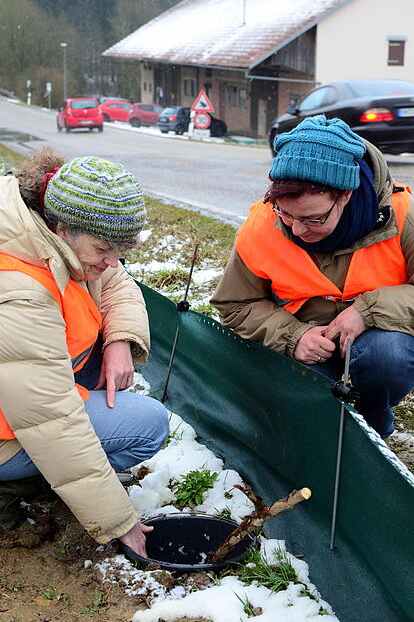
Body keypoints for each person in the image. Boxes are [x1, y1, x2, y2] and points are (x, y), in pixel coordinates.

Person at [0, 148, 169, 555]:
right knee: (148, 426)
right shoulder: (19, 287)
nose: (113, 263)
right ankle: (14, 484)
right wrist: (117, 520)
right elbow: (52, 421)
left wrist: (118, 341)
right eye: (104, 250)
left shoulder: (39, 225)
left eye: (120, 250)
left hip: (21, 396)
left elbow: (118, 283)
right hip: (14, 424)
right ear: (62, 228)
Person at [211, 115, 414, 440]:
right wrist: (295, 336)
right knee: (302, 413)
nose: (297, 229)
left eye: (313, 219)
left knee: (385, 359)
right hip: (305, 346)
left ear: (345, 195)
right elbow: (235, 304)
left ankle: (375, 429)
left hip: (378, 338)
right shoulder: (262, 226)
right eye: (285, 214)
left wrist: (367, 311)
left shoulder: (401, 214)